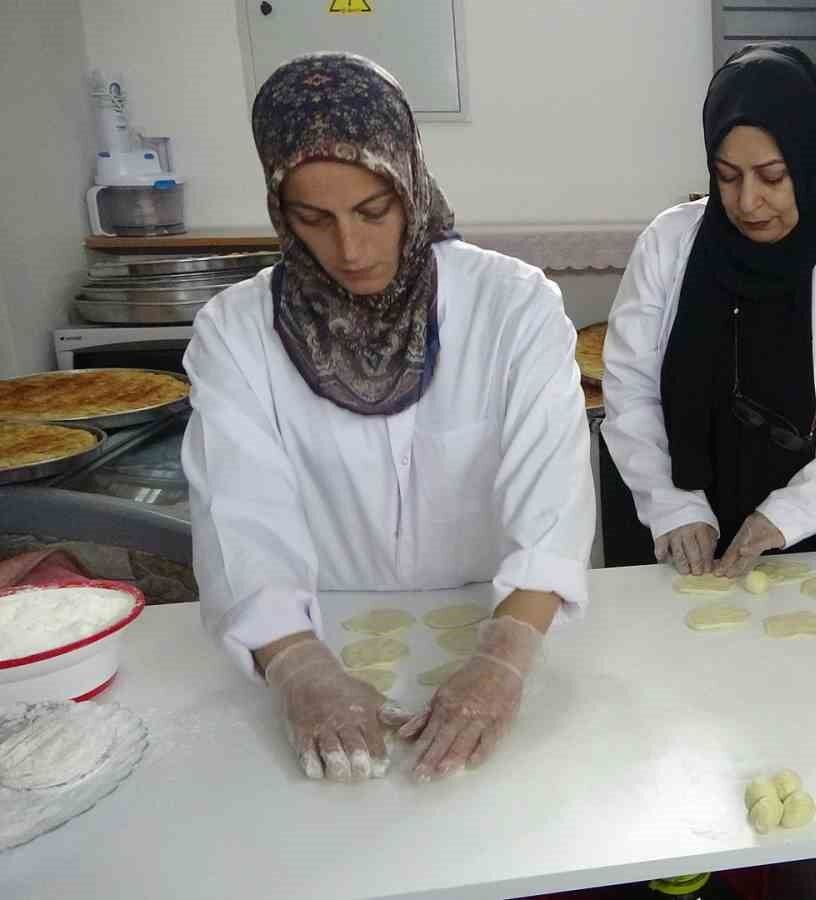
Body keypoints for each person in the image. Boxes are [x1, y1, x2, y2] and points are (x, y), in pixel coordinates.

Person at [183, 54, 594, 784]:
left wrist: (503, 657)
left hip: (502, 622)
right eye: (315, 218)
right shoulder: (235, 332)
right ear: (282, 211)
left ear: (411, 183)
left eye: (374, 211)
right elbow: (237, 515)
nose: (351, 248)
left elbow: (553, 502)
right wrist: (299, 665)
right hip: (318, 635)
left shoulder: (513, 307)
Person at [603, 44, 816, 578]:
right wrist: (674, 505)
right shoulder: (670, 242)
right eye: (727, 175)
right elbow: (630, 386)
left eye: (772, 175)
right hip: (694, 530)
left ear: (807, 161)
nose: (746, 202)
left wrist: (789, 513)